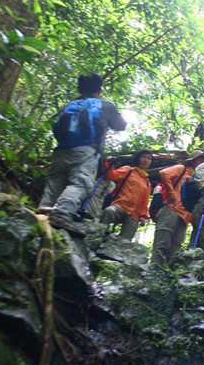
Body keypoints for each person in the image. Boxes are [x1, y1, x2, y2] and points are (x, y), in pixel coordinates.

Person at [39, 73, 126, 234]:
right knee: (81, 183)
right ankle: (62, 212)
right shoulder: (105, 105)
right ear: (100, 90)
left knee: (55, 181)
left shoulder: (71, 104)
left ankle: (44, 212)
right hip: (87, 152)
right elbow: (121, 125)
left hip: (60, 151)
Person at [150, 150, 204, 265]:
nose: (202, 162)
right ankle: (153, 272)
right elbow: (164, 173)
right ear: (192, 160)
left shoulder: (198, 179)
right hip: (171, 210)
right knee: (162, 244)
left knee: (175, 250)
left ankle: (168, 276)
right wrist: (172, 193)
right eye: (200, 159)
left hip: (184, 218)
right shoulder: (182, 169)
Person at [100, 150, 152, 241]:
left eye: (149, 159)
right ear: (138, 159)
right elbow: (112, 176)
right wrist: (109, 163)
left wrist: (143, 216)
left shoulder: (147, 182)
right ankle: (97, 235)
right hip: (120, 205)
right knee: (109, 211)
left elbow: (144, 201)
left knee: (125, 241)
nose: (146, 160)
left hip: (134, 214)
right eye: (143, 157)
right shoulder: (129, 170)